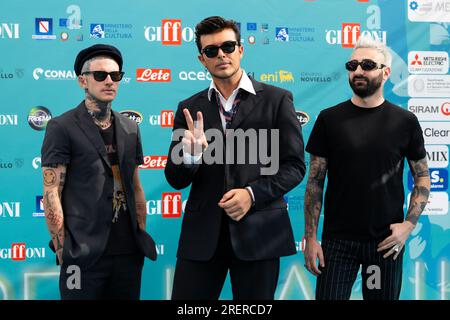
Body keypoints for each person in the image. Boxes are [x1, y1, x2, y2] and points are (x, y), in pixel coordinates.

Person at [164, 16, 305, 300]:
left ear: (241, 49)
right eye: (211, 51)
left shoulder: (277, 100)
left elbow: (294, 166)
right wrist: (190, 155)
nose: (221, 55)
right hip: (202, 238)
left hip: (260, 234)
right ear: (202, 59)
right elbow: (175, 179)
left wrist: (252, 194)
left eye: (228, 46)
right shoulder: (189, 108)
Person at [303, 36, 431, 300]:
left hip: (385, 243)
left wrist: (408, 225)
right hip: (337, 243)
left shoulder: (405, 121)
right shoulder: (329, 119)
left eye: (368, 64)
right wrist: (311, 239)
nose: (358, 70)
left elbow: (422, 177)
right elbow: (315, 182)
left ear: (385, 72)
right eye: (353, 65)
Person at [41, 44, 156, 300]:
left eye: (115, 76)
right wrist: (62, 249)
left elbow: (136, 187)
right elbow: (51, 191)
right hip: (81, 255)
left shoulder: (130, 128)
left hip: (127, 254)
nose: (109, 81)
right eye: (100, 75)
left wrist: (139, 233)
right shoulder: (62, 126)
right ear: (83, 80)